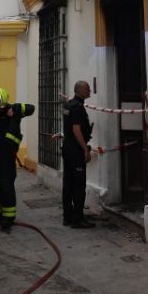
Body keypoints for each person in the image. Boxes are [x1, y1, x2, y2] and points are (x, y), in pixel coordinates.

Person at [0, 88, 34, 234]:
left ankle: (8, 218)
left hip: (7, 157)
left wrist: (15, 109)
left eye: (3, 105)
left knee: (6, 186)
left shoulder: (13, 109)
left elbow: (31, 108)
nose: (1, 108)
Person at [61, 80, 94, 228]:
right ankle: (78, 219)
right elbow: (76, 130)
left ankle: (67, 217)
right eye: (87, 89)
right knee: (78, 185)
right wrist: (85, 150)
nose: (90, 91)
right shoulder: (77, 107)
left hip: (67, 148)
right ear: (80, 90)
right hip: (75, 150)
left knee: (68, 184)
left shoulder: (68, 104)